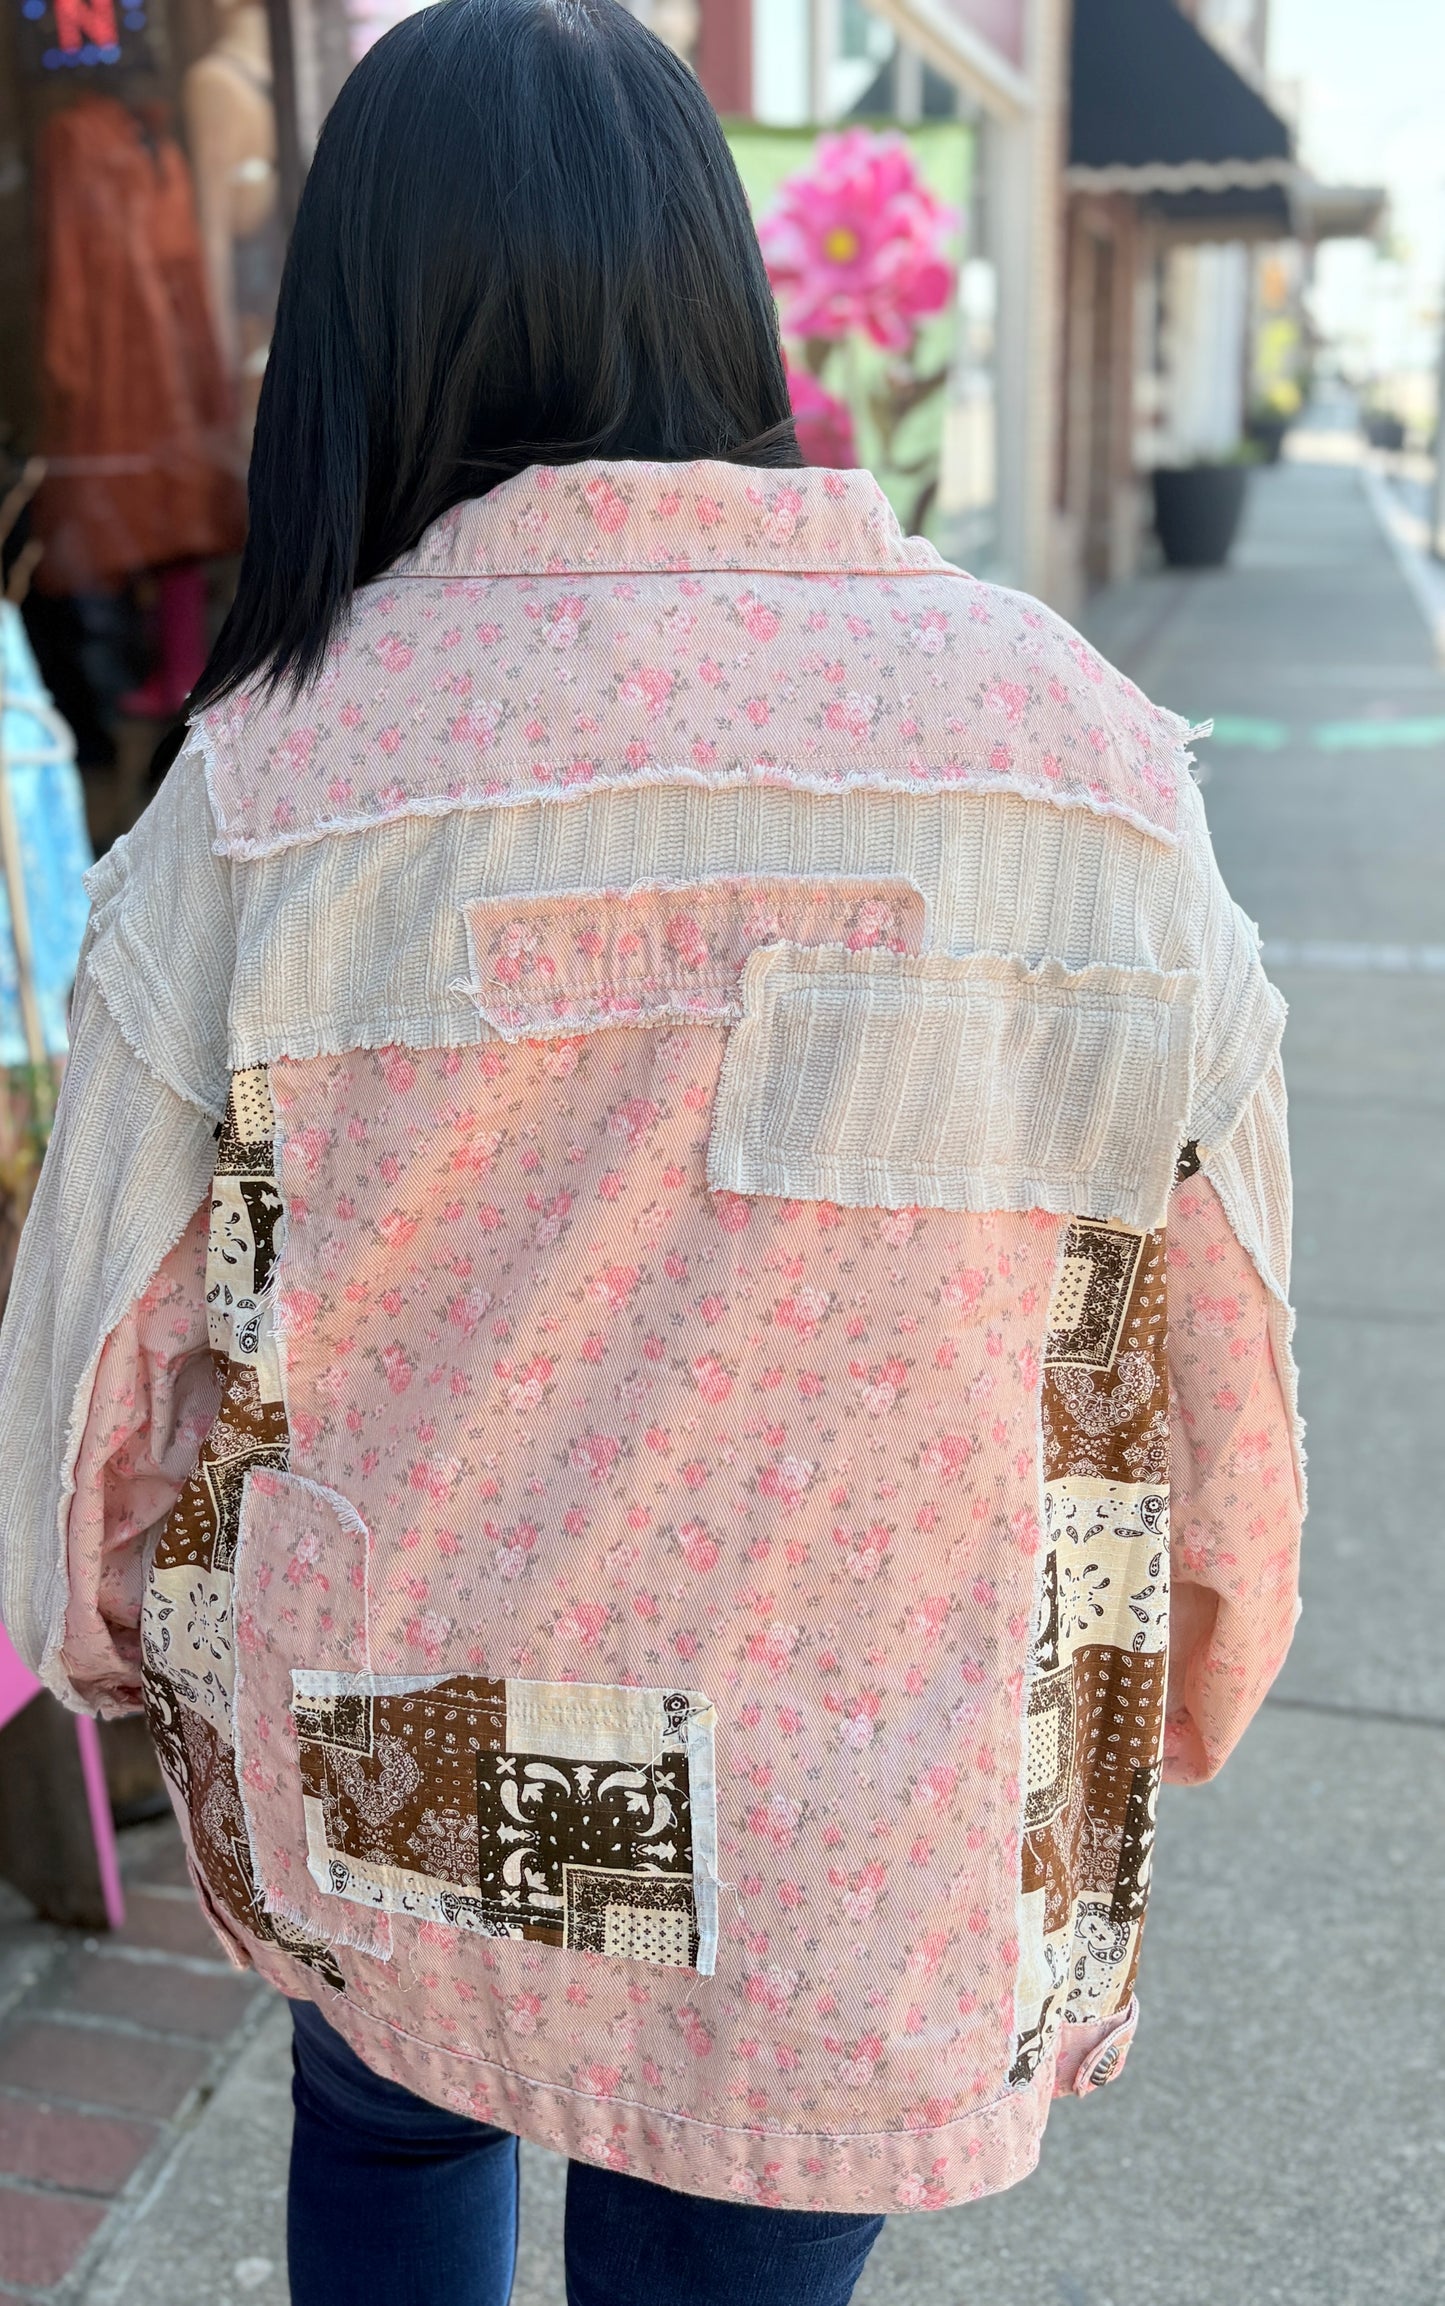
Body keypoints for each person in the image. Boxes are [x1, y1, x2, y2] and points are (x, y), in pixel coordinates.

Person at [0, 4, 1304, 2302]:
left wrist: (101, 1623)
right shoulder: (1077, 757)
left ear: (358, 337)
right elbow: (1216, 1309)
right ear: (721, 293)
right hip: (872, 1761)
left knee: (393, 2120)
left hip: (406, 1726)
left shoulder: (272, 778)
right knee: (738, 2211)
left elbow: (101, 1320)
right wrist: (1210, 1649)